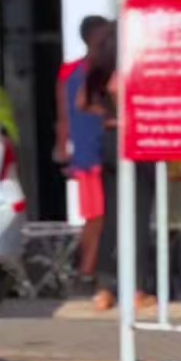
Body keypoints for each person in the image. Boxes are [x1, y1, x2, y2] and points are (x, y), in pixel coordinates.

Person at [83, 23, 155, 316]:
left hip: (110, 142)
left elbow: (83, 102)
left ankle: (104, 289)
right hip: (133, 140)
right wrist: (125, 116)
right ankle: (137, 289)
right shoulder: (129, 63)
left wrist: (109, 117)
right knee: (139, 216)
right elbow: (117, 87)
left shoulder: (99, 67)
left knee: (112, 217)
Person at [54, 16, 108, 285]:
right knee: (97, 216)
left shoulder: (73, 71)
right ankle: (86, 271)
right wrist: (63, 147)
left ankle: (88, 268)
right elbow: (65, 114)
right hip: (91, 152)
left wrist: (63, 146)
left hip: (95, 150)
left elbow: (63, 115)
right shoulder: (82, 71)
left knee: (96, 215)